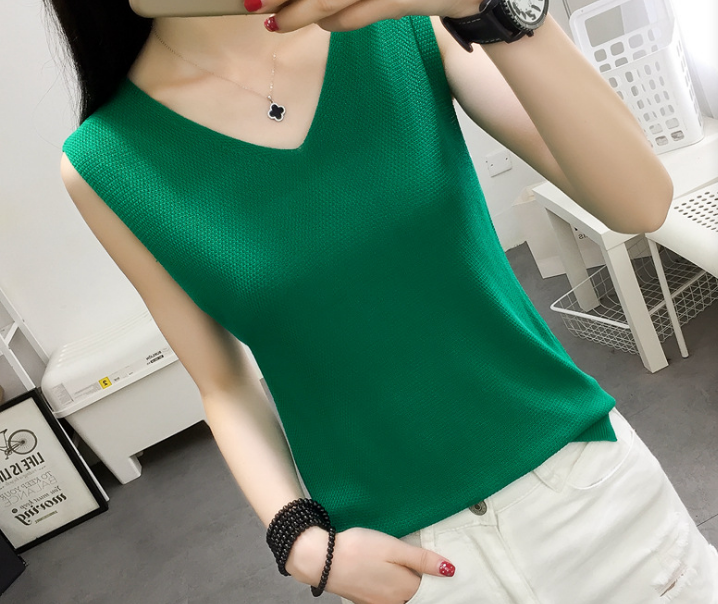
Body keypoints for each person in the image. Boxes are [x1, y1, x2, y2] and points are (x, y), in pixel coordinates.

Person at [48, 0, 717, 602]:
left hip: (588, 494)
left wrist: (492, 7)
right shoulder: (106, 163)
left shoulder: (400, 21)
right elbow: (223, 384)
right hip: (408, 562)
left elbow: (639, 202)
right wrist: (296, 538)